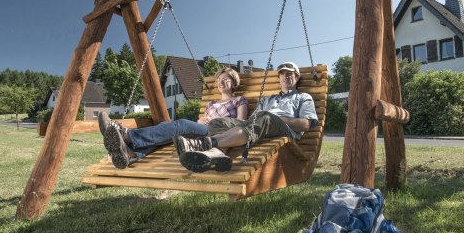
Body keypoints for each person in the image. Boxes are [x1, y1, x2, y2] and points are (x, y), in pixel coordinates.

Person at [174, 61, 318, 173]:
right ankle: (216, 154)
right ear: (279, 78)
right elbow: (251, 122)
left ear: (297, 77)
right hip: (261, 126)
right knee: (218, 123)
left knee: (265, 117)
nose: (286, 77)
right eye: (283, 74)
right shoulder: (268, 99)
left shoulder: (303, 97)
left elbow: (305, 124)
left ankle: (201, 144)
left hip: (284, 130)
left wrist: (275, 119)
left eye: (290, 74)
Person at [99, 67, 247, 169]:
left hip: (218, 133)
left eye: (226, 79)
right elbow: (200, 122)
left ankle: (126, 134)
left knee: (181, 124)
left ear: (234, 82)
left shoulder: (239, 100)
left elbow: (240, 124)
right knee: (166, 130)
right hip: (202, 129)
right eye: (219, 79)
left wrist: (214, 122)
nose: (221, 82)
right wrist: (200, 121)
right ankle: (131, 153)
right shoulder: (211, 103)